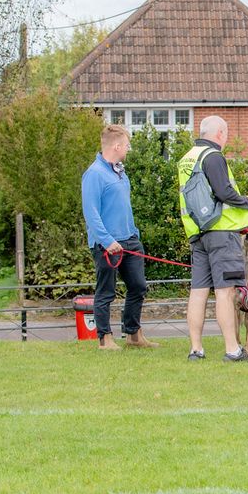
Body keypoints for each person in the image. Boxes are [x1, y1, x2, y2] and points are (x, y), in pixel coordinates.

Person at [178, 116, 248, 362]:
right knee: (225, 292)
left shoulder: (187, 159)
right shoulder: (212, 157)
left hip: (197, 233)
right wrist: (247, 201)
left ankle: (196, 349)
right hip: (221, 232)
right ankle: (232, 350)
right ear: (220, 133)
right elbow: (223, 192)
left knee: (198, 291)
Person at [80, 124, 157, 351]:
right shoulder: (94, 174)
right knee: (106, 291)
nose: (128, 149)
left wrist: (135, 234)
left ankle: (133, 334)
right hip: (107, 244)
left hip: (129, 240)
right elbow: (91, 214)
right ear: (116, 146)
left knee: (138, 286)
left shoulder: (120, 172)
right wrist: (107, 241)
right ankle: (105, 338)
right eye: (126, 145)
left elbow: (125, 208)